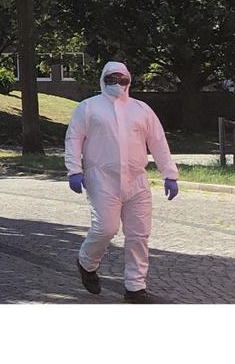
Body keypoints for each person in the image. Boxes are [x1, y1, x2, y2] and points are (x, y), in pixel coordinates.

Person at [65, 61, 179, 303]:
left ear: (129, 80)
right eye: (111, 79)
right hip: (102, 178)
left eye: (122, 79)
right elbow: (74, 138)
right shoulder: (88, 108)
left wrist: (169, 173)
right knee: (105, 228)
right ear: (103, 79)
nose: (117, 84)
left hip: (137, 179)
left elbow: (158, 142)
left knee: (139, 235)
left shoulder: (141, 110)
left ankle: (135, 287)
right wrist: (73, 169)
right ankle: (86, 262)